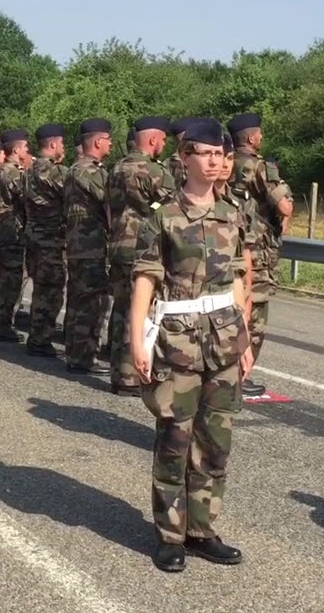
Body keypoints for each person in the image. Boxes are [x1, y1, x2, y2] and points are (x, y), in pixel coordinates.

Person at [129, 117, 251, 573]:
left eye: (220, 154)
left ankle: (202, 530)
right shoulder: (163, 217)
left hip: (223, 340)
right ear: (184, 158)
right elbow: (145, 280)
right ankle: (169, 536)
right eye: (205, 153)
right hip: (178, 342)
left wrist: (245, 339)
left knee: (216, 441)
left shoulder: (233, 213)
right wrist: (137, 341)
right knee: (175, 439)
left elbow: (239, 278)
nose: (215, 161)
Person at [107, 118, 179, 397]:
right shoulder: (153, 170)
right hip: (141, 247)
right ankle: (130, 375)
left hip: (117, 243)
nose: (164, 145)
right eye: (162, 140)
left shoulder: (116, 167)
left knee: (121, 308)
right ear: (152, 140)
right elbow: (172, 205)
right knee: (140, 310)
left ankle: (118, 370)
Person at [228, 112, 292, 399]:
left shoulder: (223, 163)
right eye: (260, 134)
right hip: (256, 248)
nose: (262, 138)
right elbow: (285, 207)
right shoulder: (260, 167)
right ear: (252, 138)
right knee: (255, 314)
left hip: (226, 243)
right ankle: (240, 376)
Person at [63, 118, 113, 373]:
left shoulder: (73, 168)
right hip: (90, 244)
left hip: (76, 243)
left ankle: (74, 351)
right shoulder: (91, 171)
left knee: (78, 297)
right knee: (92, 302)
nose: (111, 143)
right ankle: (83, 356)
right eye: (108, 139)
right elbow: (110, 204)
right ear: (97, 142)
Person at [24, 123, 69, 357]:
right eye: (62, 143)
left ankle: (37, 336)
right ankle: (40, 339)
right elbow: (72, 190)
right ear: (53, 144)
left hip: (34, 236)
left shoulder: (30, 168)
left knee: (41, 288)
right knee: (50, 290)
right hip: (49, 239)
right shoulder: (51, 171)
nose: (64, 148)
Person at [0, 129, 32, 342]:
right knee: (11, 279)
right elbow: (26, 196)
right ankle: (2, 323)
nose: (27, 151)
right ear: (16, 149)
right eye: (25, 147)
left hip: (1, 229)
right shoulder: (12, 172)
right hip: (10, 231)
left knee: (4, 276)